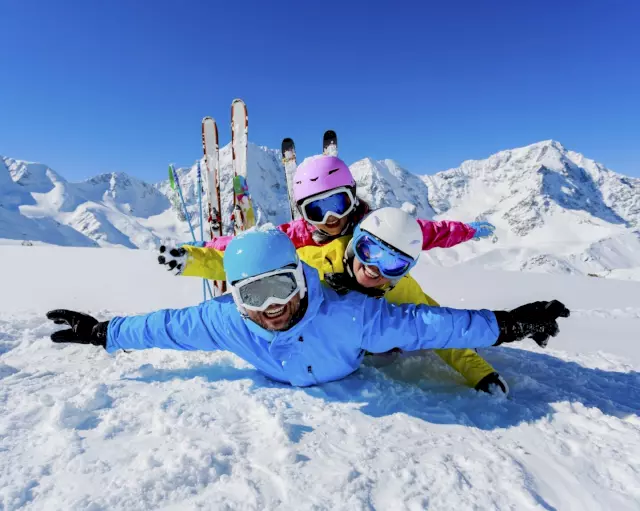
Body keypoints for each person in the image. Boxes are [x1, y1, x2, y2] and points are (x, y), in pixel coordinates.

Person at [48, 229, 570, 388]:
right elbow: (165, 327)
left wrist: (511, 324)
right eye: (253, 295)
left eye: (281, 287)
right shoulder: (225, 321)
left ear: (302, 278)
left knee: (394, 338)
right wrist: (103, 332)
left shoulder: (347, 312)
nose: (273, 307)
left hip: (357, 359)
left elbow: (431, 324)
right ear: (233, 297)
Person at [159, 209, 508, 394]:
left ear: (406, 269)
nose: (374, 269)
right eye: (370, 251)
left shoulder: (404, 291)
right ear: (357, 241)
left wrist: (480, 373)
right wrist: (192, 261)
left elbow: (440, 330)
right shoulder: (313, 259)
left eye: (393, 264)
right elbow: (254, 267)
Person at [200, 155, 495, 251]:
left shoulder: (376, 227)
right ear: (304, 215)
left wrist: (468, 231)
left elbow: (429, 232)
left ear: (353, 197)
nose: (329, 217)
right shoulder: (300, 235)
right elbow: (254, 244)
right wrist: (209, 246)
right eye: (316, 209)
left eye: (337, 203)